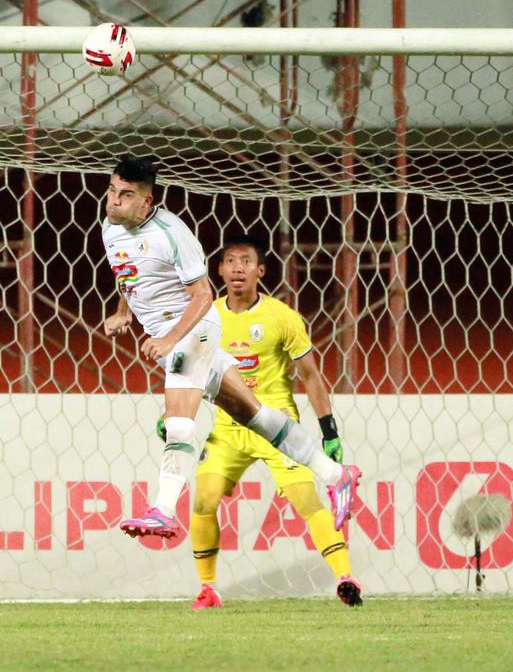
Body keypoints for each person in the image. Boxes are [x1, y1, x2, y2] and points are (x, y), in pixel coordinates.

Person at [99, 155, 360, 543]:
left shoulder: (174, 234)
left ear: (147, 202)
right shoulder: (111, 227)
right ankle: (337, 476)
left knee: (178, 418)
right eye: (111, 191)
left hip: (194, 328)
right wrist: (123, 312)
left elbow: (203, 294)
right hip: (176, 337)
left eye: (126, 194)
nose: (114, 201)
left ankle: (163, 510)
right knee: (252, 414)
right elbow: (127, 274)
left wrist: (171, 340)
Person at [182, 234, 361, 609]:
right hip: (229, 429)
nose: (237, 268)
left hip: (278, 427)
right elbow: (190, 372)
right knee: (203, 501)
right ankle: (208, 589)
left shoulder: (282, 317)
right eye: (230, 261)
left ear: (260, 271)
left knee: (307, 502)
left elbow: (310, 375)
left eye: (246, 261)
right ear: (219, 269)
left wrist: (329, 430)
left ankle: (345, 578)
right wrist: (174, 416)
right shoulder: (206, 317)